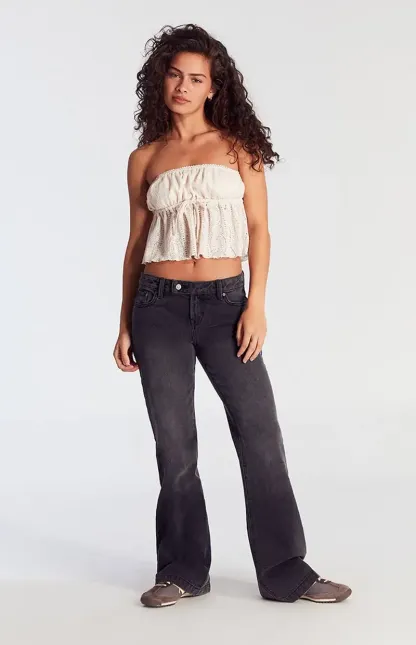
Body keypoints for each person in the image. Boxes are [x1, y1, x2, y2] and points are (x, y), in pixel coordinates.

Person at [113, 23, 352, 608]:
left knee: (259, 433)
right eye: (175, 75)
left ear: (214, 87)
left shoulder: (237, 147)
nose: (183, 86)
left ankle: (285, 571)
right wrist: (124, 323)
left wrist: (256, 304)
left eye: (197, 79)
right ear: (161, 80)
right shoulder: (145, 157)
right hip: (158, 307)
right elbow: (136, 243)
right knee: (174, 446)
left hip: (227, 305)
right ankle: (182, 570)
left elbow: (259, 229)